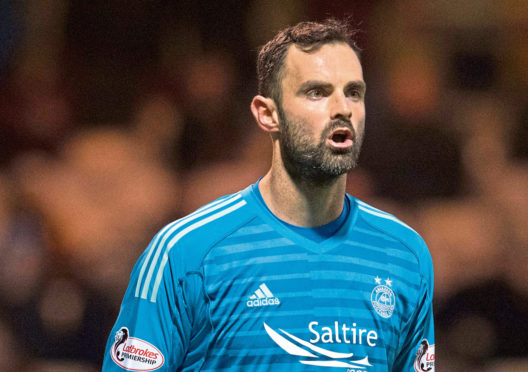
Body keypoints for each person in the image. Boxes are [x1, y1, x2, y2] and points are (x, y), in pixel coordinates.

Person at [102, 19, 435, 372]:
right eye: (317, 92)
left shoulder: (405, 255)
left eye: (353, 91)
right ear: (267, 114)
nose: (343, 108)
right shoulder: (185, 253)